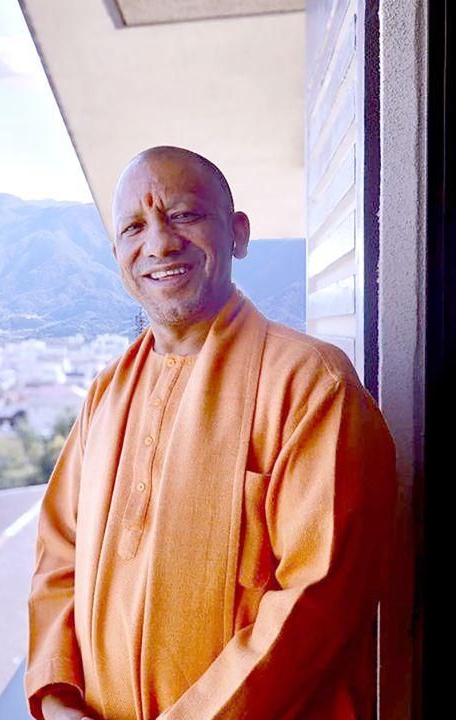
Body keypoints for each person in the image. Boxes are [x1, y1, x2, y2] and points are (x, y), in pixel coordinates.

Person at [25, 146, 398, 720]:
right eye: (134, 227)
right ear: (117, 255)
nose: (160, 243)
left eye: (182, 215)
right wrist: (56, 699)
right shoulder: (104, 397)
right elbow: (59, 560)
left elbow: (316, 601)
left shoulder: (310, 384)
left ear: (238, 234)